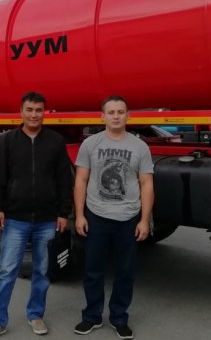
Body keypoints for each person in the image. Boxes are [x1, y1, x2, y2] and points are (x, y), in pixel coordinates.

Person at [0, 91, 73, 340]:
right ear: (21, 112)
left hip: (47, 219)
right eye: (29, 109)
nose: (34, 114)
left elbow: (64, 180)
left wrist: (63, 213)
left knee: (42, 271)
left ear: (45, 112)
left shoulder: (55, 141)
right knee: (7, 271)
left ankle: (35, 315)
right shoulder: (8, 141)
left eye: (38, 110)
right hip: (15, 219)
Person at [73, 95, 154, 340]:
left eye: (120, 112)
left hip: (128, 218)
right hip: (96, 216)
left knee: (125, 272)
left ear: (128, 116)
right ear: (102, 117)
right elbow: (81, 180)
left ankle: (119, 318)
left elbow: (146, 184)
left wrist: (144, 220)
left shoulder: (140, 147)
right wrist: (79, 215)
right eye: (111, 112)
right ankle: (92, 317)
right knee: (93, 270)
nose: (116, 116)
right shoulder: (90, 144)